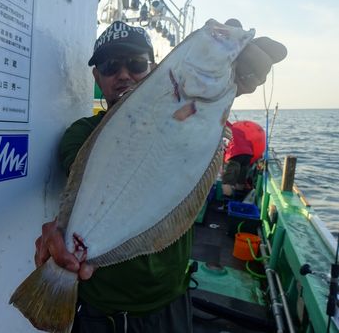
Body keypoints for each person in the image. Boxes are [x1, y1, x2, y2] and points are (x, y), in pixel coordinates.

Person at [35, 20, 287, 333]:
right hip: (104, 313)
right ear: (97, 76)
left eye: (137, 64)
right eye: (110, 66)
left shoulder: (187, 113)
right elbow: (112, 171)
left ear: (155, 69)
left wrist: (228, 88)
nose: (124, 74)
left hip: (173, 300)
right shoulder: (81, 136)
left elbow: (184, 135)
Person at [221, 121, 254, 197]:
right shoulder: (238, 130)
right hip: (248, 154)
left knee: (228, 181)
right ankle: (239, 197)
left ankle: (224, 202)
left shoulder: (223, 130)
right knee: (240, 179)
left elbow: (222, 148)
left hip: (235, 154)